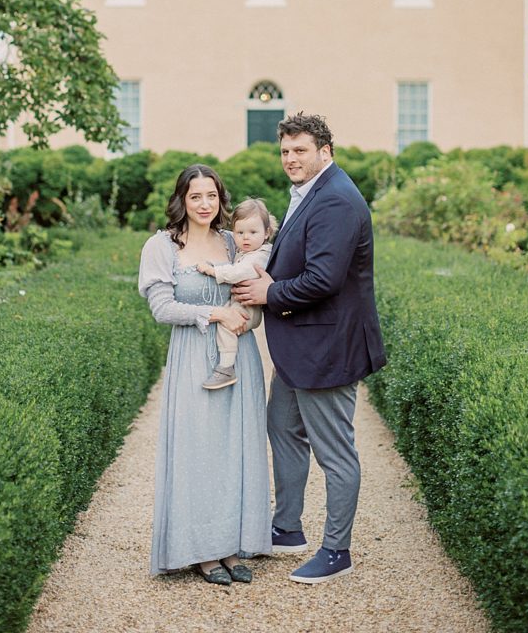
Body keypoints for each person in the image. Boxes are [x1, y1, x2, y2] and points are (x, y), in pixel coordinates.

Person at [234, 112, 387, 585]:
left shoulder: (337, 199)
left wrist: (267, 293)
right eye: (285, 151)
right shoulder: (313, 192)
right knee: (280, 424)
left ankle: (337, 551)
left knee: (336, 454)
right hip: (301, 348)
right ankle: (287, 527)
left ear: (325, 151)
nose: (290, 159)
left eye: (300, 150)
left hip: (328, 348)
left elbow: (323, 279)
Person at [138, 165, 272, 585]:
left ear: (220, 200)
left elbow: (256, 297)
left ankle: (232, 545)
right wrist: (214, 313)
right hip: (193, 357)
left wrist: (245, 320)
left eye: (211, 196)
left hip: (240, 358)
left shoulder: (236, 242)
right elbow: (162, 309)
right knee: (198, 451)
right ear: (182, 199)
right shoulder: (162, 246)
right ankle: (200, 550)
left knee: (236, 448)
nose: (204, 204)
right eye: (195, 196)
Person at [197, 198, 276, 390]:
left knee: (226, 325)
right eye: (239, 232)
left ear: (266, 233)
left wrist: (212, 271)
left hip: (247, 308)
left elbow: (237, 273)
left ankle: (226, 366)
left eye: (252, 232)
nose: (245, 238)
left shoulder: (260, 255)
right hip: (243, 303)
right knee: (223, 316)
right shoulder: (247, 252)